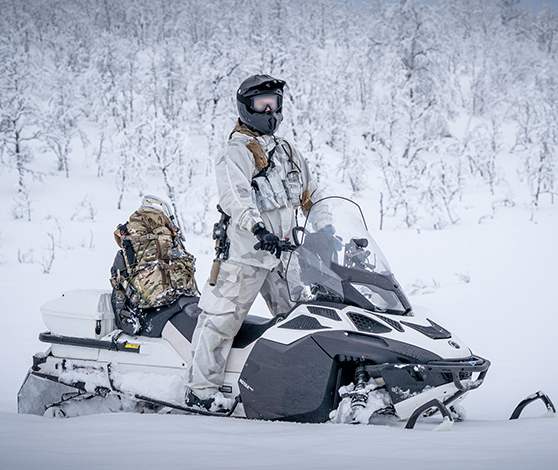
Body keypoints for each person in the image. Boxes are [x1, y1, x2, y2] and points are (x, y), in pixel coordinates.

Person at [185, 74, 324, 411]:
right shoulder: (235, 152)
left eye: (274, 103)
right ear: (246, 108)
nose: (269, 110)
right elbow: (236, 198)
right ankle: (200, 391)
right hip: (248, 253)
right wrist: (258, 228)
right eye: (262, 104)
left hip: (285, 255)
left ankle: (305, 384)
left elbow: (313, 194)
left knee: (301, 320)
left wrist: (326, 226)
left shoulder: (287, 151)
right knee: (221, 320)